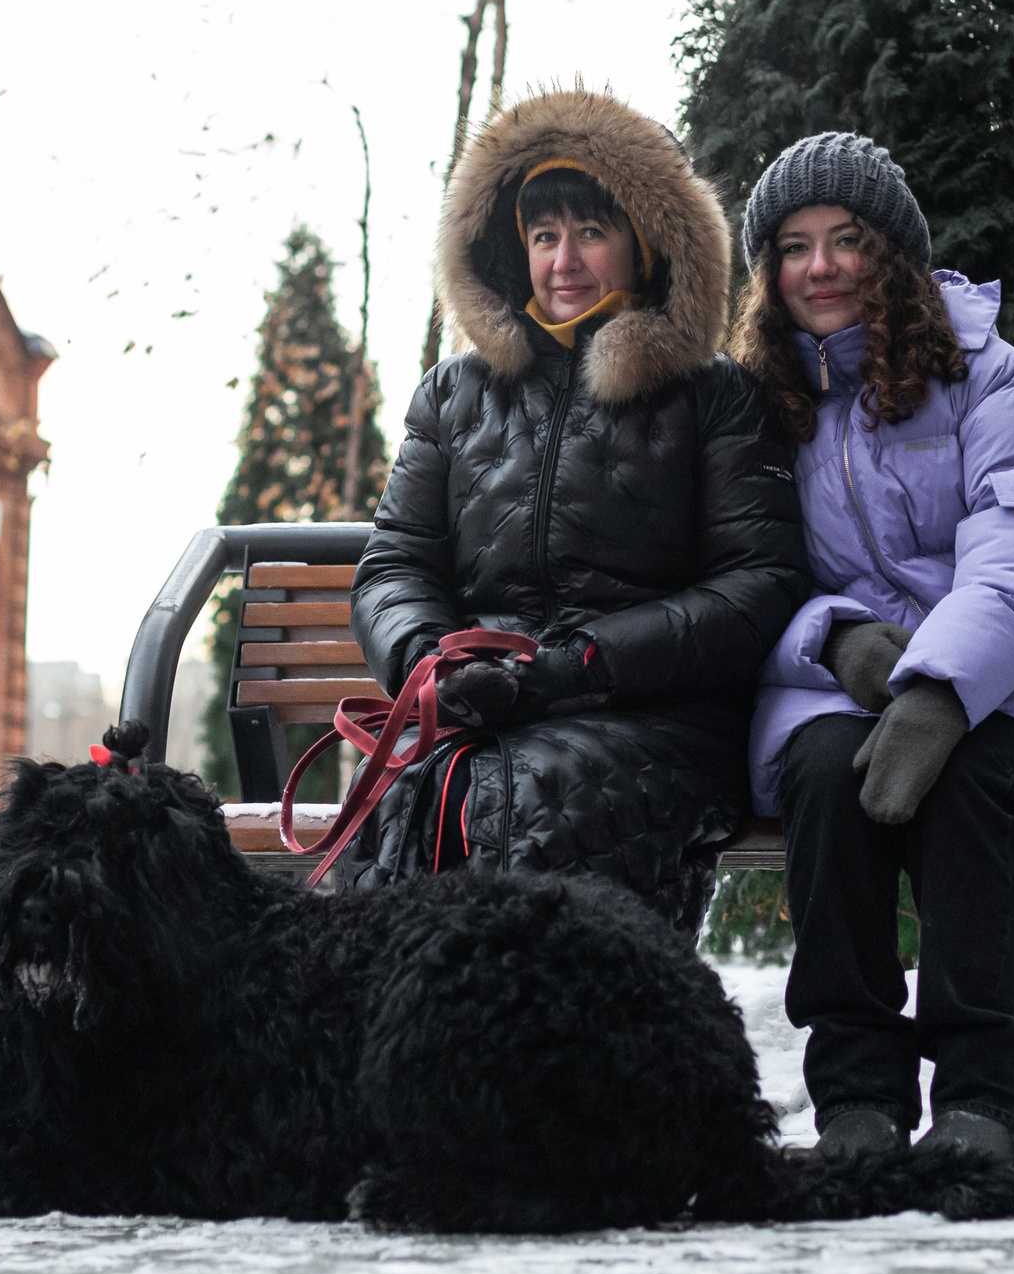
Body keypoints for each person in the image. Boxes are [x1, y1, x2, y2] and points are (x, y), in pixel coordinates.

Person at [732, 131, 1014, 1170]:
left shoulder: (985, 373)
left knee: (965, 778)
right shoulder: (751, 402)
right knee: (821, 773)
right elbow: (739, 574)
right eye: (793, 246)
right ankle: (857, 1099)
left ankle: (981, 1101)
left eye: (846, 239)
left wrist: (942, 687)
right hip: (835, 686)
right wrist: (834, 639)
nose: (820, 266)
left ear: (892, 253)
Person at [342, 88, 811, 934]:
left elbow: (758, 584)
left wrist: (581, 665)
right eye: (543, 235)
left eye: (591, 232)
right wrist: (429, 663)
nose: (564, 261)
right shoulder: (454, 393)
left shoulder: (714, 396)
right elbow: (395, 565)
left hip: (651, 716)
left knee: (537, 803)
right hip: (473, 708)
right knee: (415, 797)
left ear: (646, 243)